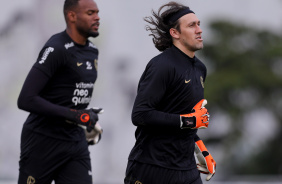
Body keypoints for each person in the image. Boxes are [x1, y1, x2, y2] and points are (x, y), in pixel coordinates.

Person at [124, 2, 216, 184]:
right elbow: (140, 115)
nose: (199, 30)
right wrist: (189, 120)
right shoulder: (162, 66)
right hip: (152, 168)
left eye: (198, 24)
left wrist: (201, 150)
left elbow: (187, 119)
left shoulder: (200, 69)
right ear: (175, 33)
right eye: (192, 25)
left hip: (187, 169)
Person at [17, 0, 103, 183]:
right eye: (90, 13)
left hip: (74, 142)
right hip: (42, 141)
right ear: (72, 16)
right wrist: (74, 115)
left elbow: (71, 97)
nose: (97, 18)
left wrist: (87, 116)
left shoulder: (92, 51)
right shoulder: (56, 48)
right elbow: (26, 99)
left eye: (97, 12)